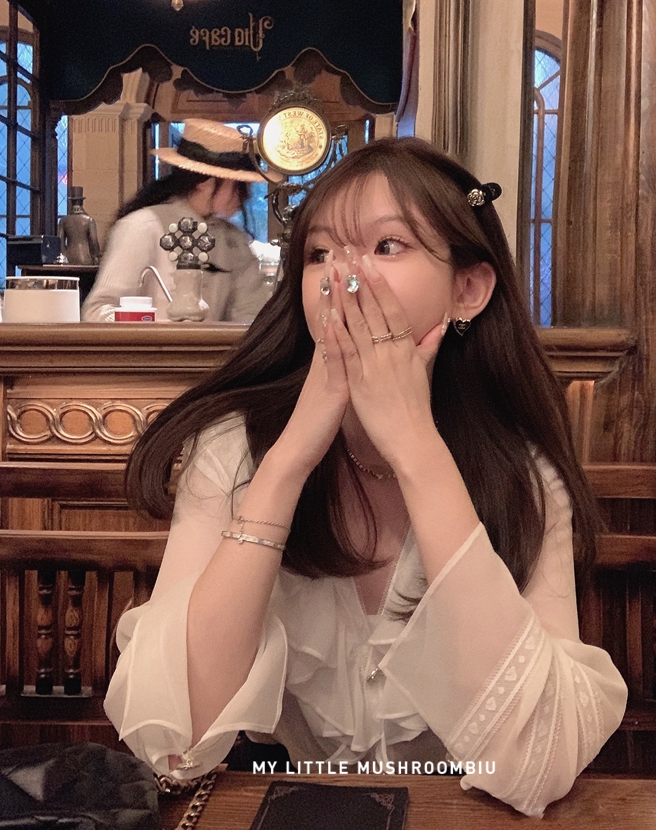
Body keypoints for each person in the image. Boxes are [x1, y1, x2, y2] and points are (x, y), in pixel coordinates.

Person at [104, 137, 627, 817]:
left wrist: (415, 446)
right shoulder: (236, 449)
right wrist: (289, 459)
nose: (342, 277)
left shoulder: (521, 478)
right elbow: (178, 745)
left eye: (386, 246)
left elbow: (538, 765)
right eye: (320, 253)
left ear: (467, 289)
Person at [82, 119, 269, 323]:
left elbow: (252, 315)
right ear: (206, 182)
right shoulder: (142, 227)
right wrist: (151, 327)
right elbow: (97, 311)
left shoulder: (233, 240)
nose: (246, 196)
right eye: (239, 185)